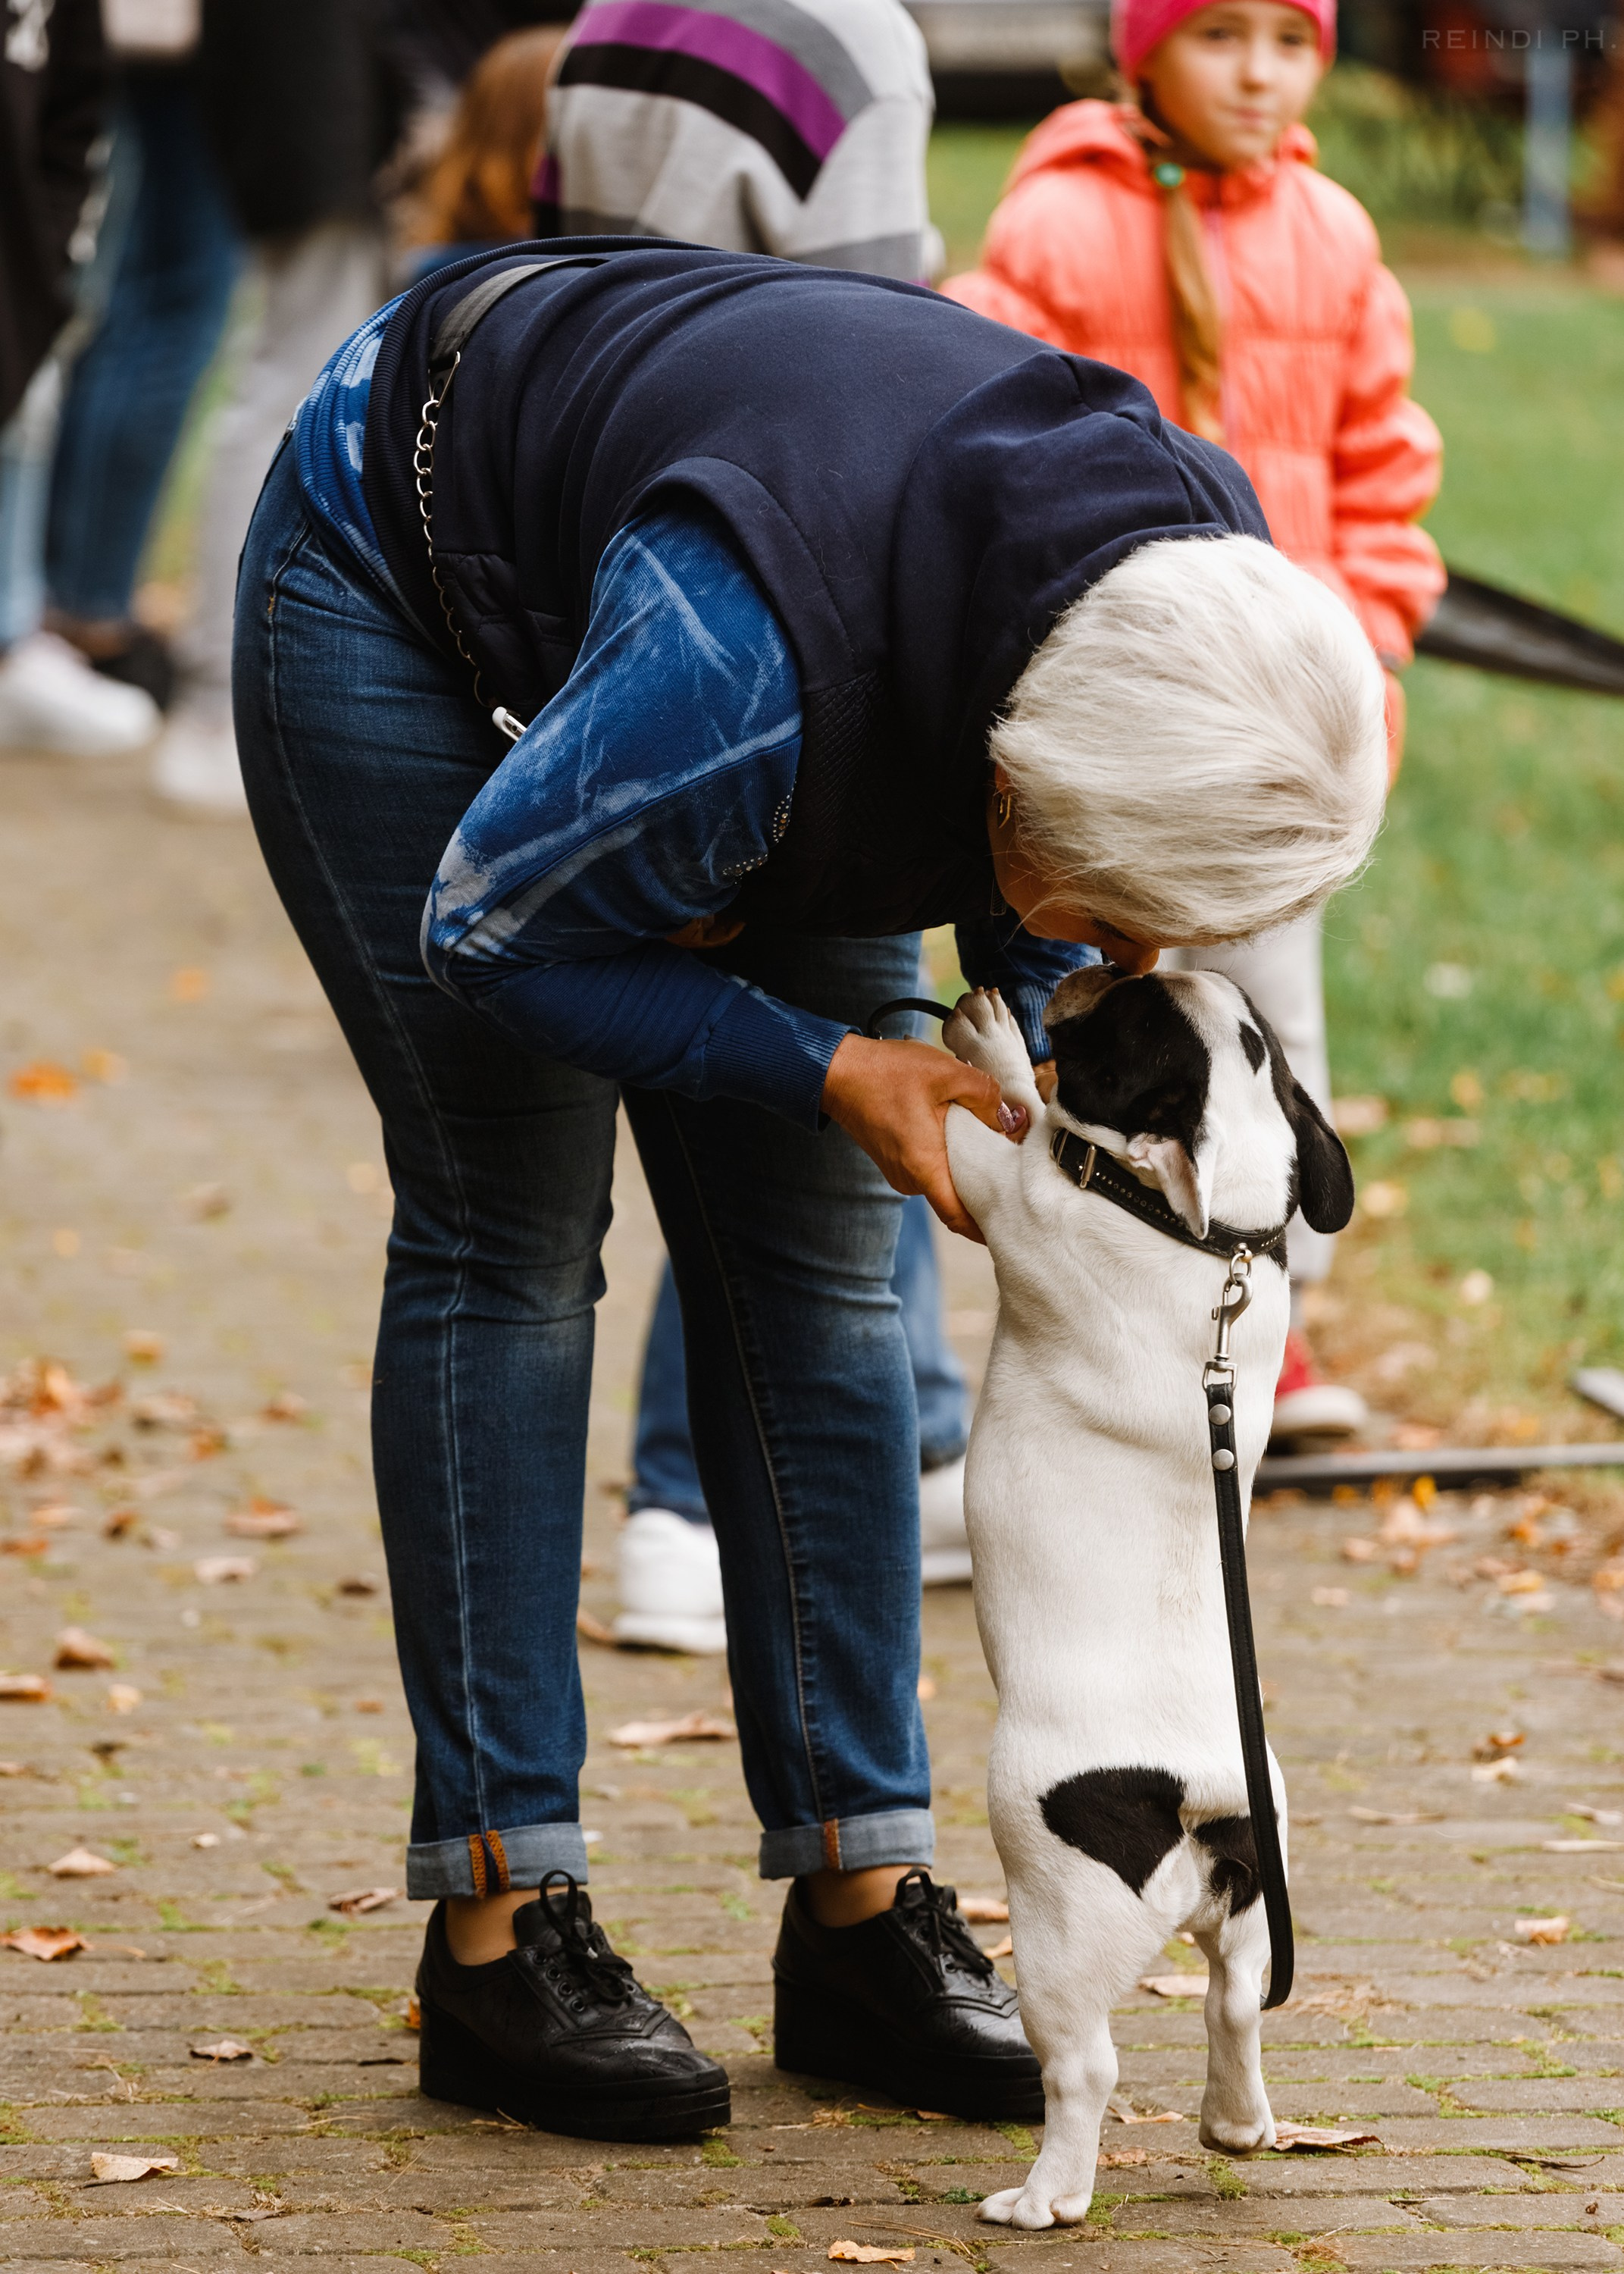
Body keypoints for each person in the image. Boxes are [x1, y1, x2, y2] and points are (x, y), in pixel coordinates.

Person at [236, 243, 1387, 2137]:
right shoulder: (747, 678)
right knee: (512, 1228)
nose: (1116, 956)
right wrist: (828, 1061)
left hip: (798, 634)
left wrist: (1026, 1011)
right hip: (408, 572)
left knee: (835, 1272)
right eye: (1113, 915)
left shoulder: (1197, 599)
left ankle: (859, 1906)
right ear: (1039, 801)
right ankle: (500, 1927)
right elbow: (489, 928)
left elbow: (1044, 887)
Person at [944, 0, 1444, 1447]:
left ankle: (1258, 1322)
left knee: (1271, 1031)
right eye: (1218, 36)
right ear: (1142, 50)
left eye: (1287, 42)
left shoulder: (1332, 236)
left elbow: (1382, 469)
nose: (1257, 72)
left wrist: (1360, 650)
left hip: (1277, 743)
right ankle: (1086, 1297)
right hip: (1129, 727)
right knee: (1090, 1015)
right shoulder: (1054, 223)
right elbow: (991, 442)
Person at [537, 0, 970, 1644]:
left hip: (616, 535)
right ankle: (678, 1496)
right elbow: (871, 357)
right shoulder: (856, 47)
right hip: (791, 573)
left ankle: (910, 1430)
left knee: (837, 1073)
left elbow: (572, 286)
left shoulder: (609, 20)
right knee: (808, 1092)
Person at [0, 0, 158, 756]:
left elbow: (74, 104)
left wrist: (47, 264)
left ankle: (14, 626)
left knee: (32, 399)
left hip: (26, 237)